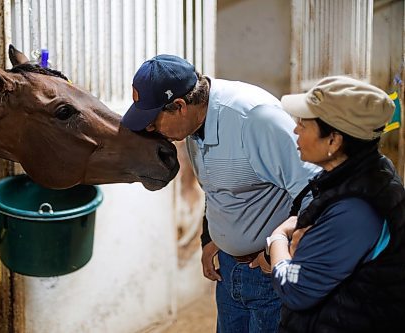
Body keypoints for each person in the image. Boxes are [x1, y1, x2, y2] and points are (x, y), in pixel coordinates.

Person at [121, 54, 318, 332]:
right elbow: (216, 189)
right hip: (227, 273)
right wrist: (210, 237)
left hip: (267, 273)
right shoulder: (192, 127)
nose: (151, 130)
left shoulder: (255, 118)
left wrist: (273, 252)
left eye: (153, 121)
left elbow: (315, 191)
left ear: (179, 106)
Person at [267, 75, 405, 332]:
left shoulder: (356, 209)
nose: (295, 129)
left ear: (334, 140)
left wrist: (277, 238)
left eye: (304, 124)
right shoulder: (364, 174)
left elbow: (294, 289)